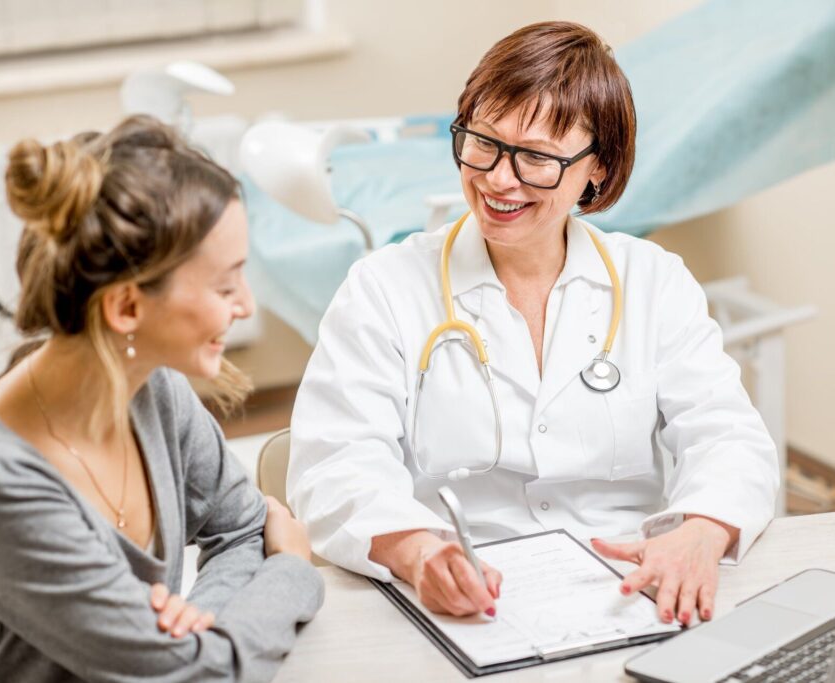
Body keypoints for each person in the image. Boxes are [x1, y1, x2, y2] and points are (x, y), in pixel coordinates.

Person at [288, 22, 777, 627]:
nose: (498, 179)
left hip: (632, 588)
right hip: (465, 598)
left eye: (537, 159)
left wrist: (701, 531)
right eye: (482, 143)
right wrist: (420, 552)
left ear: (596, 168)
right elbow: (334, 464)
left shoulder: (653, 281)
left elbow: (729, 437)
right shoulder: (384, 287)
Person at [0, 115, 322, 682]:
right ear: (127, 308)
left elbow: (242, 531)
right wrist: (294, 570)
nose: (246, 305)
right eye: (225, 286)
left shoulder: (152, 387)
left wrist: (201, 621)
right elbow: (200, 675)